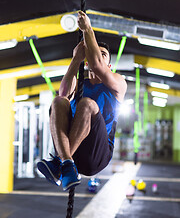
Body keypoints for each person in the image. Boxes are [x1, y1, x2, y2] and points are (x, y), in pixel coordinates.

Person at [37, 11, 127, 191]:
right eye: (96, 53)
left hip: (96, 156)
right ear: (86, 63)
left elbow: (97, 65)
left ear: (109, 66)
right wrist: (76, 58)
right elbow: (63, 93)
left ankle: (61, 161)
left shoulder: (118, 83)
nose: (99, 56)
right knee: (58, 102)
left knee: (87, 104)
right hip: (73, 152)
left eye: (103, 55)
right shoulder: (80, 84)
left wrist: (88, 30)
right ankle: (65, 164)